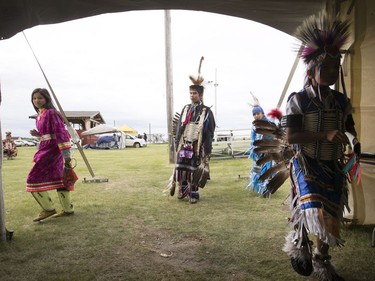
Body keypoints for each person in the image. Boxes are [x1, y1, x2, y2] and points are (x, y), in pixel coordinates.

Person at [281, 12, 359, 281]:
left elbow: (349, 127)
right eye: (324, 67)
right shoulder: (298, 100)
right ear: (311, 70)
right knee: (311, 209)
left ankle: (322, 261)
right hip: (306, 163)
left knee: (331, 216)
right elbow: (291, 137)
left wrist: (353, 141)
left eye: (334, 67)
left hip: (333, 165)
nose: (330, 72)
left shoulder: (340, 101)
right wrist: (324, 134)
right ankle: (299, 243)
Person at [27, 88, 75, 222]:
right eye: (34, 98)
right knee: (60, 179)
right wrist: (38, 135)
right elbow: (47, 134)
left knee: (32, 178)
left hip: (53, 150)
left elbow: (61, 132)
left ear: (47, 99)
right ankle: (68, 210)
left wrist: (66, 155)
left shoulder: (52, 113)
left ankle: (48, 209)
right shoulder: (40, 114)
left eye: (40, 98)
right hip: (45, 148)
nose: (37, 100)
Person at [173, 57, 216, 204]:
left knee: (193, 170)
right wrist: (177, 143)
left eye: (195, 93)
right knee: (182, 169)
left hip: (197, 146)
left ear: (201, 95)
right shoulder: (186, 109)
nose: (192, 95)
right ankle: (182, 190)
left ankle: (193, 193)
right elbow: (180, 127)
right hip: (184, 145)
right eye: (191, 93)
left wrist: (207, 149)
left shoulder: (206, 111)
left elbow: (210, 131)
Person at [246, 101, 273, 197]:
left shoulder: (269, 123)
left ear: (262, 113)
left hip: (268, 151)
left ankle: (266, 189)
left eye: (258, 113)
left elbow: (274, 136)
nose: (256, 116)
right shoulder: (254, 125)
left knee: (267, 170)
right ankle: (260, 188)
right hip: (258, 152)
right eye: (254, 114)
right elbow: (254, 139)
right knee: (257, 170)